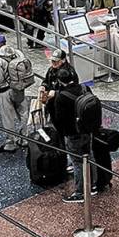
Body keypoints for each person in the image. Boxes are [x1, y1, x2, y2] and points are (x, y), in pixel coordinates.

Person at [46, 62, 96, 203]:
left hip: (73, 133)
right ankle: (94, 185)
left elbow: (59, 119)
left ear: (60, 81)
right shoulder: (84, 88)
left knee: (77, 161)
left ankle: (80, 192)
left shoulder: (61, 96)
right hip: (87, 128)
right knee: (89, 156)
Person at [0, 45, 31, 152]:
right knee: (23, 113)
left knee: (8, 117)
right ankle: (24, 138)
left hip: (4, 91)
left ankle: (11, 142)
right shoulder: (18, 54)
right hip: (18, 88)